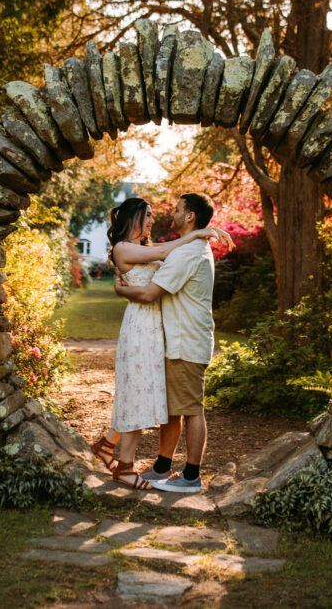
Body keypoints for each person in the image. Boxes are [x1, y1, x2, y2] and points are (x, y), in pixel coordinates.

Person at [91, 196, 231, 489]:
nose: (161, 217)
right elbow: (161, 255)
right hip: (151, 330)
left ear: (190, 216)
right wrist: (196, 234)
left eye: (176, 210)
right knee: (151, 397)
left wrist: (121, 289)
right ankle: (148, 463)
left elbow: (151, 287)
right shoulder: (143, 248)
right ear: (134, 219)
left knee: (181, 406)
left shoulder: (183, 251)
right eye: (149, 216)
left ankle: (188, 475)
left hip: (176, 336)